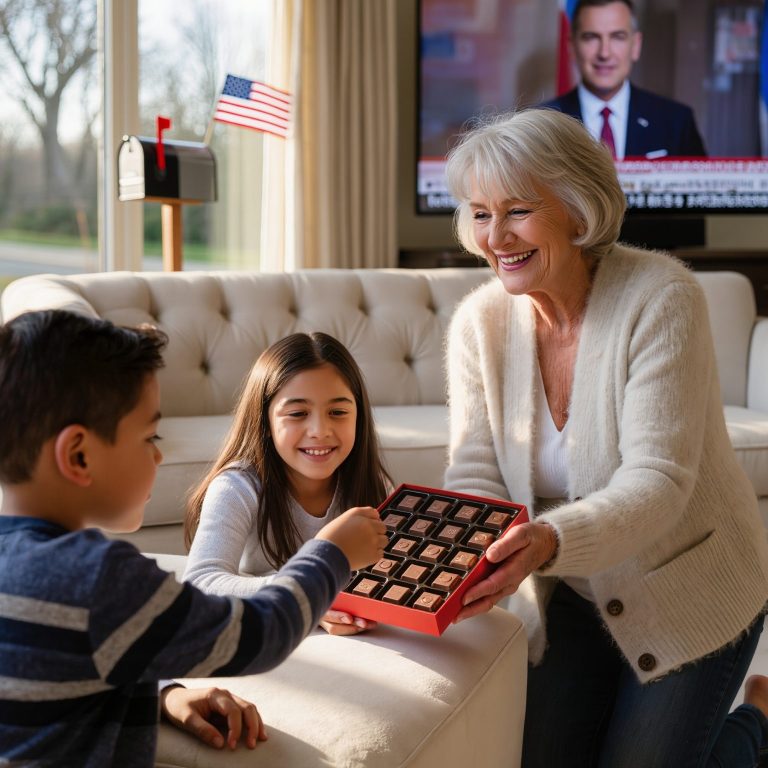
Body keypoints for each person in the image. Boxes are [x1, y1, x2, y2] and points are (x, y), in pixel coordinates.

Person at [442, 107, 768, 766]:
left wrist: (548, 539)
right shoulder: (479, 323)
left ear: (577, 206)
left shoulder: (660, 297)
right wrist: (439, 566)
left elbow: (658, 484)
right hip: (569, 593)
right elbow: (476, 473)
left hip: (691, 587)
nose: (495, 236)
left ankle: (758, 719)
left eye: (518, 210)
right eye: (480, 213)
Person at [0, 310, 387, 767]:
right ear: (79, 455)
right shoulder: (103, 578)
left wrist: (165, 695)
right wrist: (331, 554)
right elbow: (262, 633)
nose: (159, 454)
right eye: (150, 436)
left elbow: (73, 667)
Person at [183, 331, 392, 637]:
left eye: (338, 412)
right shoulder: (236, 488)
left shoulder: (372, 485)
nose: (320, 430)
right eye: (297, 413)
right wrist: (309, 590)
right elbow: (201, 584)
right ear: (264, 422)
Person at [544, 0, 706, 159]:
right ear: (572, 46)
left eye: (617, 37)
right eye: (591, 37)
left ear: (635, 46)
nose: (604, 53)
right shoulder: (543, 125)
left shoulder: (676, 122)